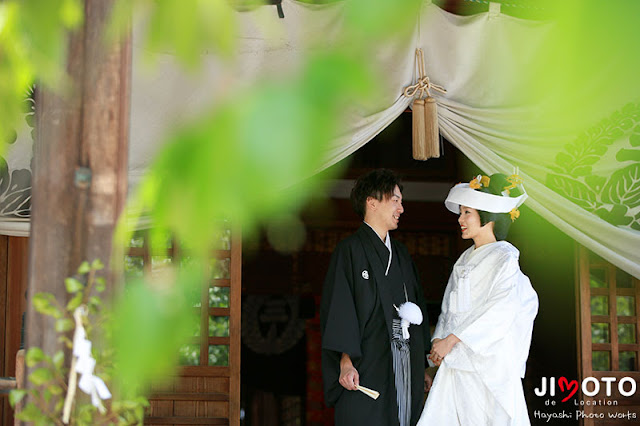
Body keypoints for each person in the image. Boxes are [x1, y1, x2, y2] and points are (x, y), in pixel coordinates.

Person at [417, 173, 539, 426]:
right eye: (460, 213)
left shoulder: (505, 258)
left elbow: (501, 310)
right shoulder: (463, 259)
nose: (460, 220)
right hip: (456, 361)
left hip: (485, 365)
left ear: (489, 216)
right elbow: (449, 311)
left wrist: (452, 340)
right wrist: (439, 343)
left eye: (467, 213)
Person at [320, 169, 432, 426]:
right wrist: (346, 362)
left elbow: (417, 305)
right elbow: (340, 310)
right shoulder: (349, 251)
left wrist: (421, 365)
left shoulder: (401, 254)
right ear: (372, 202)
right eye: (395, 200)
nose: (401, 208)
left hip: (403, 362)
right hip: (367, 363)